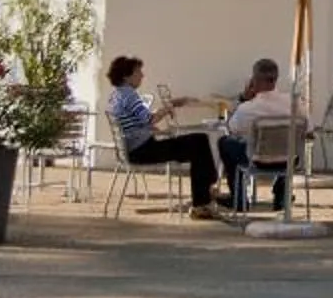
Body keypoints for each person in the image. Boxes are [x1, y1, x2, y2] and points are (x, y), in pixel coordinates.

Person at [105, 56, 212, 213]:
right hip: (143, 151)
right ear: (126, 76)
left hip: (133, 150)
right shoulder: (129, 95)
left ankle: (205, 195)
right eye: (138, 72)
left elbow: (137, 121)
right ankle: (204, 198)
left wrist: (150, 127)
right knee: (199, 141)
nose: (142, 75)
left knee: (195, 147)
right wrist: (170, 106)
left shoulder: (116, 95)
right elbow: (150, 118)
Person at [216, 57, 304, 213]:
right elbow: (308, 127)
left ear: (254, 80)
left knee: (225, 142)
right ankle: (281, 196)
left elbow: (232, 128)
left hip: (258, 161)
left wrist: (243, 99)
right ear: (276, 79)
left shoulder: (249, 108)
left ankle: (239, 198)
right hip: (289, 161)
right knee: (288, 148)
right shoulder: (295, 104)